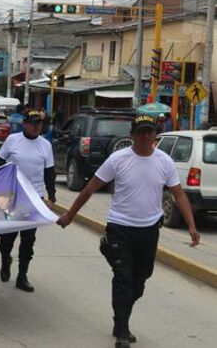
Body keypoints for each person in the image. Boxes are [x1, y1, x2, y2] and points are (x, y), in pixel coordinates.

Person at [56, 114, 201, 348]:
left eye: (149, 132)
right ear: (132, 135)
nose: (145, 137)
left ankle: (120, 316)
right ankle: (122, 328)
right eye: (140, 132)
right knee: (123, 279)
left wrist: (192, 226)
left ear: (155, 135)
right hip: (120, 227)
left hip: (149, 229)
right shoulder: (118, 159)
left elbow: (179, 193)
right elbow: (90, 187)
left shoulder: (164, 161)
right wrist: (70, 215)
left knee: (140, 280)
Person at [0, 109, 56, 293]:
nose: (36, 126)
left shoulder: (45, 145)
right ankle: (5, 260)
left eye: (39, 123)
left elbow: (49, 173)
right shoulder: (13, 140)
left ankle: (22, 276)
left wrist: (51, 196)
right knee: (6, 238)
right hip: (11, 195)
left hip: (34, 197)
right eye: (33, 123)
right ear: (24, 124)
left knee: (28, 239)